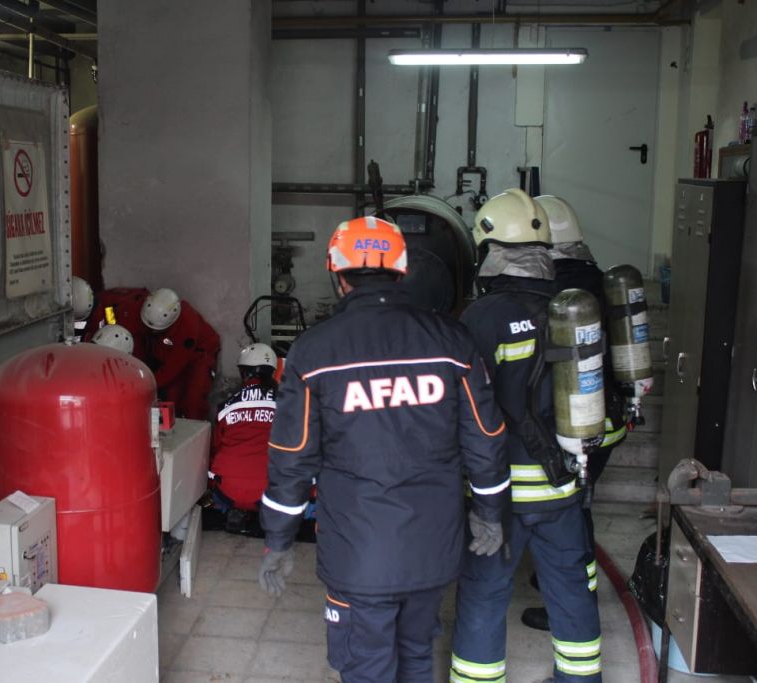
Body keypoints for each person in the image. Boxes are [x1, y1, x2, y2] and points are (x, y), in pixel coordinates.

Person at [258, 216, 510, 683]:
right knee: (416, 655)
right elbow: (485, 437)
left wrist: (278, 539)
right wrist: (490, 511)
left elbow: (292, 456)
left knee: (366, 667)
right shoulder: (452, 342)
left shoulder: (314, 354)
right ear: (401, 270)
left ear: (338, 276)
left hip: (359, 554)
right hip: (432, 548)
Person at [449, 189, 602, 683]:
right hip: (563, 484)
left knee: (484, 591)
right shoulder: (569, 308)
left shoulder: (483, 317)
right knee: (570, 588)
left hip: (501, 492)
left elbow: (464, 408)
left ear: (492, 251)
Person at [516, 195, 628, 632]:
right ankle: (558, 581)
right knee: (579, 503)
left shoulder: (558, 295)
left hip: (575, 422)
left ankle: (571, 599)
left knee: (573, 510)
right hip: (610, 418)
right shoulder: (599, 280)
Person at [208, 343, 279, 531]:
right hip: (270, 489)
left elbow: (215, 447)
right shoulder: (288, 404)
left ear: (243, 372)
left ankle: (236, 509)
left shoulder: (226, 406)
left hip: (226, 490)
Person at [141, 288, 220, 420]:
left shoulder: (187, 327)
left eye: (156, 330)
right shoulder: (150, 313)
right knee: (171, 401)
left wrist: (146, 384)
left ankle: (197, 434)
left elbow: (173, 367)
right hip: (173, 352)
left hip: (200, 355)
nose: (153, 332)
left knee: (194, 401)